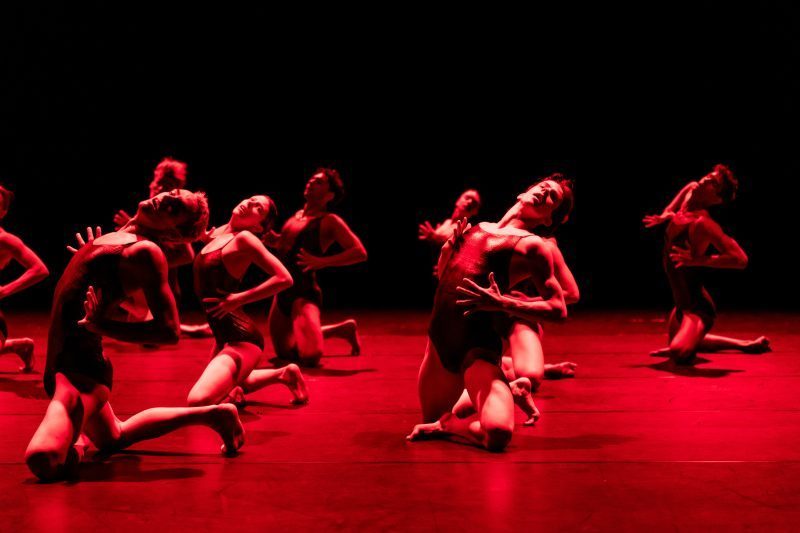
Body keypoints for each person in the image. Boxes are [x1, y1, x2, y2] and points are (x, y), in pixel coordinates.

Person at [25, 189, 244, 482]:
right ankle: (214, 415)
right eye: (171, 194)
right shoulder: (112, 239)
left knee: (42, 460)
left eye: (174, 208)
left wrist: (103, 326)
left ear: (173, 233)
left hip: (79, 374)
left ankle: (76, 445)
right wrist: (88, 262)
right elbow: (127, 305)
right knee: (114, 436)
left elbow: (169, 331)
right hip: (63, 364)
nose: (165, 200)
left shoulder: (147, 252)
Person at [407, 176, 573, 451]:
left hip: (477, 349)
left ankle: (452, 424)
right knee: (429, 419)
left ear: (548, 219)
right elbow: (446, 280)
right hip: (439, 342)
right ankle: (503, 392)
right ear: (524, 192)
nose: (544, 192)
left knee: (498, 435)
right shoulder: (475, 228)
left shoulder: (534, 246)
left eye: (552, 197)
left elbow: (559, 308)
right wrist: (447, 250)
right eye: (543, 187)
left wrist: (503, 303)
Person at [186, 194, 308, 407]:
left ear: (259, 227)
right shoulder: (218, 233)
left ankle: (233, 395)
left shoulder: (244, 239)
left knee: (198, 401)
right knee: (238, 382)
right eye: (251, 200)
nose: (249, 204)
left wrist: (238, 299)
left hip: (242, 339)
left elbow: (284, 278)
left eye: (258, 208)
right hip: (222, 337)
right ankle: (284, 374)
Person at [643, 164, 769, 363]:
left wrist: (698, 260)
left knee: (678, 352)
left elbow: (740, 259)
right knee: (683, 344)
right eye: (709, 176)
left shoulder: (703, 224)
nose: (707, 179)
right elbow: (669, 209)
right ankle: (745, 344)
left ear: (717, 199)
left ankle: (697, 331)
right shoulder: (690, 190)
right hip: (681, 305)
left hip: (696, 306)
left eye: (714, 183)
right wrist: (666, 215)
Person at [267, 168, 367, 367]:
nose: (312, 182)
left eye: (319, 182)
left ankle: (330, 332)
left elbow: (359, 252)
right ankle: (341, 330)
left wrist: (323, 261)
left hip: (303, 293)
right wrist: (275, 241)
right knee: (285, 352)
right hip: (282, 292)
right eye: (312, 179)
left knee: (310, 356)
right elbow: (288, 246)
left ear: (330, 195)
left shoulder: (329, 221)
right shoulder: (296, 216)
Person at [0, 185, 49, 371]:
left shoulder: (5, 240)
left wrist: (4, 290)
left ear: (3, 212)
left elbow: (40, 269)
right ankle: (18, 346)